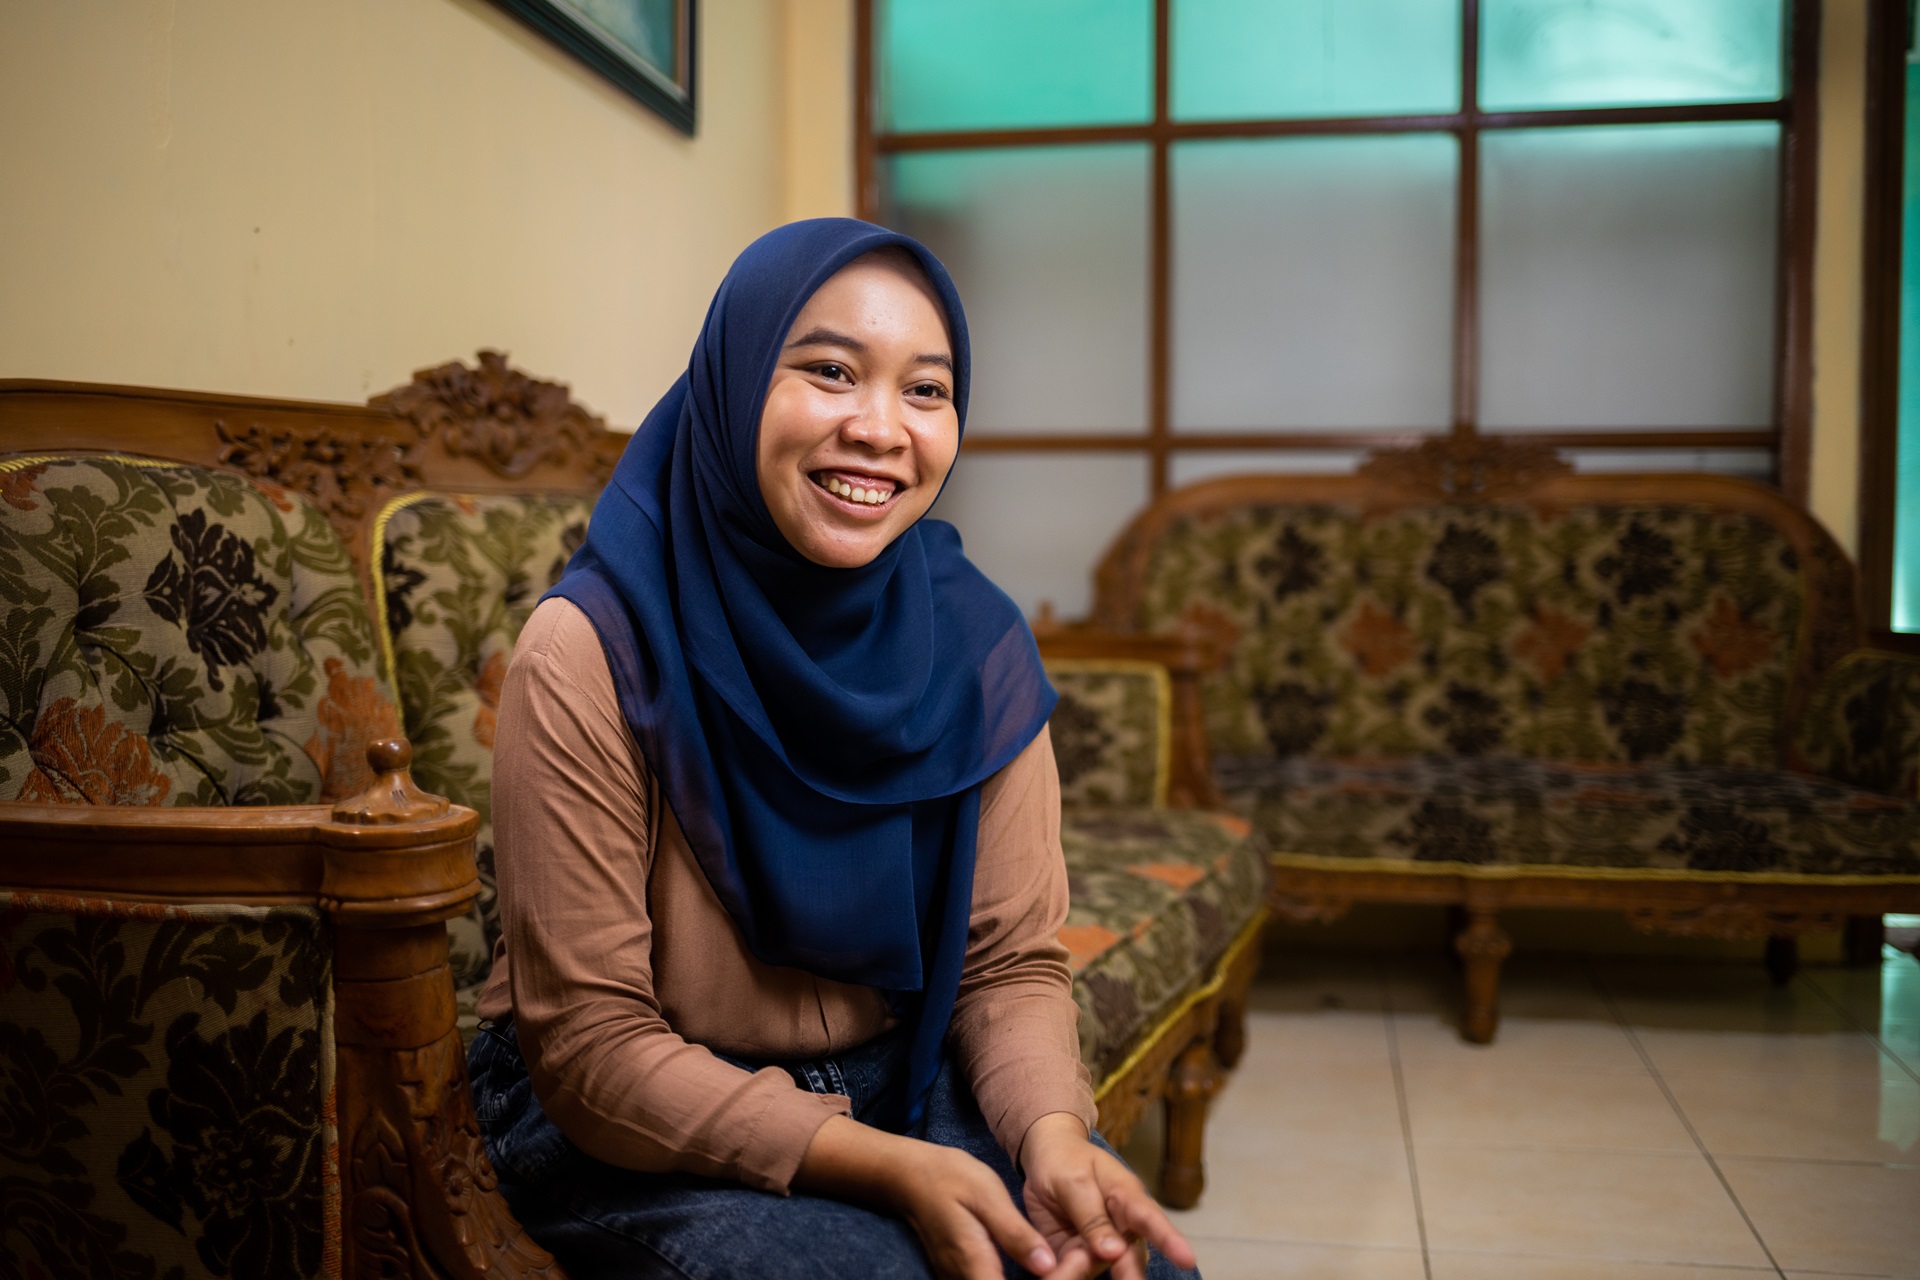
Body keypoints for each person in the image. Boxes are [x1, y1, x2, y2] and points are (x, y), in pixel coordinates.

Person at [468, 218, 1201, 1280]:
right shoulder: (592, 646)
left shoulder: (973, 644)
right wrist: (892, 1167)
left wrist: (1048, 1131)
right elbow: (592, 1049)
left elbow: (1009, 964)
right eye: (829, 370)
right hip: (625, 1112)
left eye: (926, 389)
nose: (881, 428)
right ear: (732, 383)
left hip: (895, 1068)